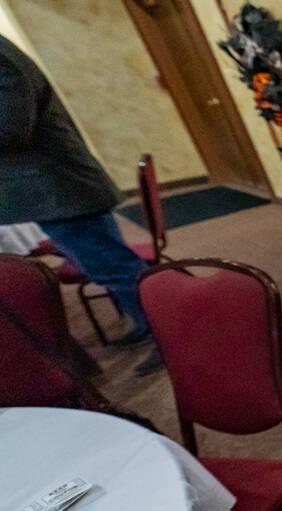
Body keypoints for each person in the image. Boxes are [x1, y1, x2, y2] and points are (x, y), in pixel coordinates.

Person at [0, 33, 162, 376]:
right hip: (55, 190)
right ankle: (148, 325)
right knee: (108, 265)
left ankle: (166, 336)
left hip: (59, 189)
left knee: (114, 267)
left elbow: (11, 129)